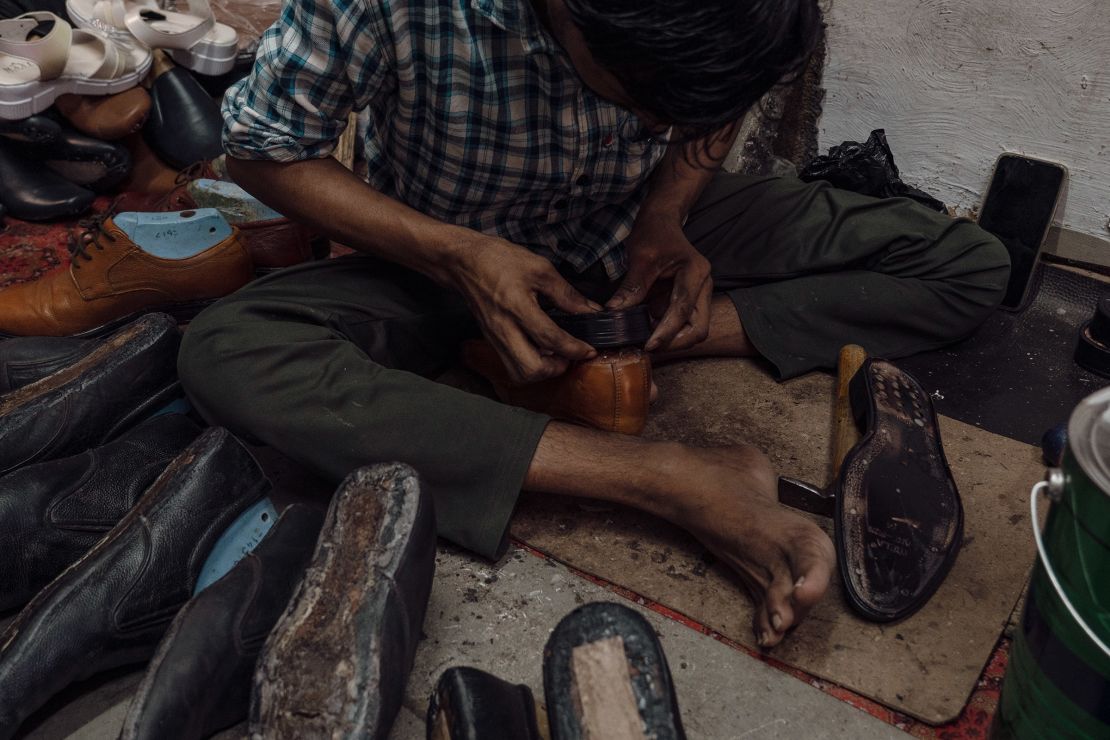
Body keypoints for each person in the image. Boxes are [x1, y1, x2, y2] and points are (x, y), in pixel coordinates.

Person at [179, 0, 1010, 648]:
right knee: (227, 350)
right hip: (447, 254)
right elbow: (259, 148)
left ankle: (638, 339)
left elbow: (711, 105)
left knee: (968, 265)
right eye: (646, 102)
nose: (664, 131)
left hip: (626, 221)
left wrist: (668, 210)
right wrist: (458, 257)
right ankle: (673, 477)